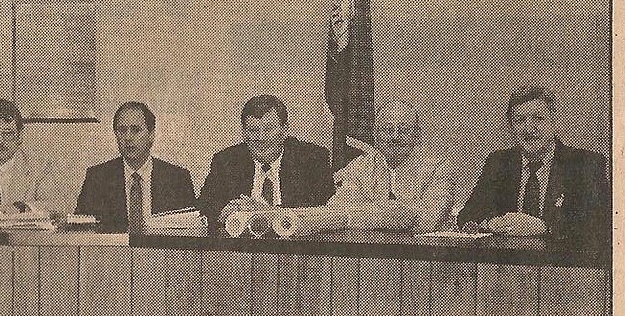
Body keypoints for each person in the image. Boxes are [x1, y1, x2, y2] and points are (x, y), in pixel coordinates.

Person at [458, 87, 609, 243]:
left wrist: (544, 227)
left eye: (538, 118)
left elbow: (600, 223)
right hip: (508, 263)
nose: (529, 128)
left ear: (554, 122)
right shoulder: (499, 163)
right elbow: (467, 217)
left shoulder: (585, 164)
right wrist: (491, 224)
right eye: (520, 120)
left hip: (562, 265)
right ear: (511, 128)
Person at [197, 95, 334, 231]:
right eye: (253, 130)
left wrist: (266, 213)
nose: (261, 138)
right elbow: (203, 207)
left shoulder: (312, 159)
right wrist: (222, 214)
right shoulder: (226, 161)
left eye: (269, 129)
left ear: (284, 130)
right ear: (244, 133)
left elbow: (324, 212)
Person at [329, 100, 455, 232]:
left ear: (417, 135)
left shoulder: (438, 167)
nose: (395, 137)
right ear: (375, 134)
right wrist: (401, 212)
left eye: (404, 130)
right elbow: (336, 211)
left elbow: (430, 220)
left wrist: (362, 213)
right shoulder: (359, 167)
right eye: (387, 130)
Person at [74, 102, 195, 231]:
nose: (128, 137)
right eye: (122, 130)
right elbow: (81, 229)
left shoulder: (177, 179)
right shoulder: (98, 178)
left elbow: (192, 235)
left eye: (136, 130)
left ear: (151, 134)